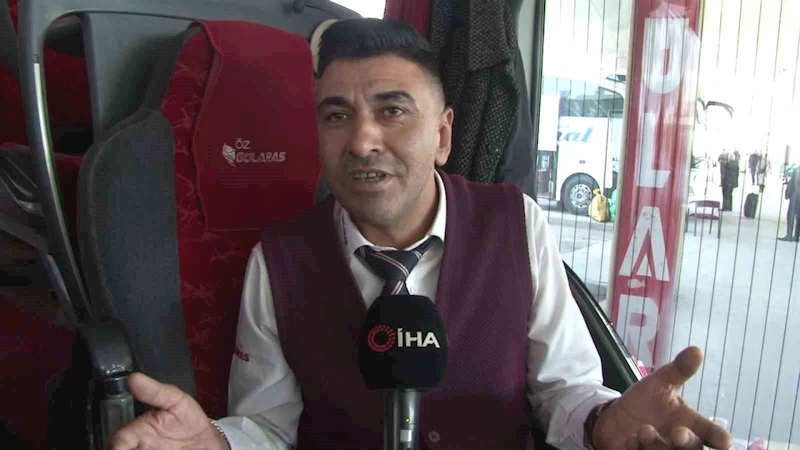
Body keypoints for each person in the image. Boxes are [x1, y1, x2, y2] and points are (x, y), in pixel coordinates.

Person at [109, 19, 731, 450]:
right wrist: (215, 441)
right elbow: (270, 426)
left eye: (393, 110)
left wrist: (604, 423)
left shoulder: (515, 224)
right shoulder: (278, 260)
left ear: (442, 133)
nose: (362, 140)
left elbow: (564, 389)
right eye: (337, 115)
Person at [779, 165, 800, 241]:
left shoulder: (797, 170)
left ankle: (789, 235)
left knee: (790, 216)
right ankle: (796, 236)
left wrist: (788, 194)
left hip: (795, 196)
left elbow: (792, 184)